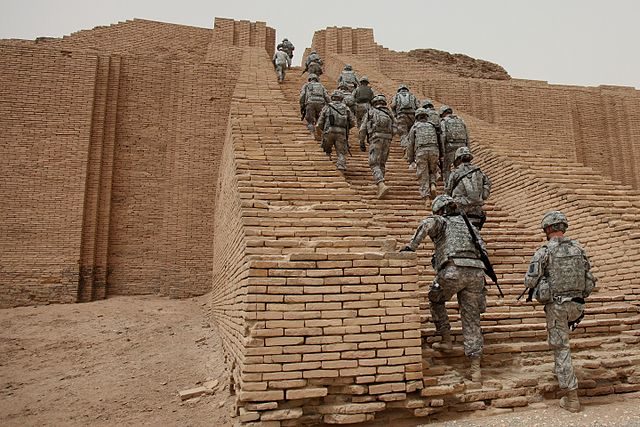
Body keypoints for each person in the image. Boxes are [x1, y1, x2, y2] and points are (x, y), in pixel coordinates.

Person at [401, 195, 487, 382]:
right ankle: (475, 369)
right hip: (476, 274)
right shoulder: (470, 227)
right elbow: (483, 250)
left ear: (440, 210)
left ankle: (446, 339)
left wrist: (411, 247)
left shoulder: (441, 221)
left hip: (452, 271)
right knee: (472, 319)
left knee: (435, 298)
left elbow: (427, 224)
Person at [524, 211, 597, 413]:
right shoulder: (579, 249)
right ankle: (561, 372)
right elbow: (588, 274)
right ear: (563, 227)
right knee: (561, 345)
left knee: (561, 348)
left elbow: (529, 281)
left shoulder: (544, 251)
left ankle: (572, 397)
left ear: (547, 229)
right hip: (578, 305)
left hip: (557, 307)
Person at [359, 94, 396, 199]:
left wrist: (361, 142)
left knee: (374, 163)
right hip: (387, 139)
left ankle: (381, 183)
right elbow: (396, 128)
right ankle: (380, 186)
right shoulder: (389, 114)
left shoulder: (371, 112)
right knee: (382, 163)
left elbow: (362, 129)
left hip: (376, 138)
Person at [445, 146, 491, 230]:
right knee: (475, 232)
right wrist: (483, 195)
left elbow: (448, 190)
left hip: (460, 208)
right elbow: (487, 183)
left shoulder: (455, 173)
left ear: (458, 159)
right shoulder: (479, 171)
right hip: (476, 208)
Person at [316, 90, 355, 171]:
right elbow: (352, 122)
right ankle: (341, 165)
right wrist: (345, 129)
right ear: (341, 98)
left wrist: (324, 130)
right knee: (341, 152)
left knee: (326, 149)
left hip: (329, 131)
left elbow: (320, 123)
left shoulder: (327, 107)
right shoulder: (346, 108)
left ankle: (327, 166)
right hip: (341, 132)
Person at [407, 108, 440, 201]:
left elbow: (410, 144)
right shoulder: (432, 126)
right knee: (432, 170)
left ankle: (426, 197)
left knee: (423, 174)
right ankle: (433, 184)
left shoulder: (415, 127)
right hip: (434, 150)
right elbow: (439, 140)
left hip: (421, 151)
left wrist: (410, 159)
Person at [439, 105, 469, 184]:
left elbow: (443, 136)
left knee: (447, 169)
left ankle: (449, 187)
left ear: (443, 113)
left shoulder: (444, 121)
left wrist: (442, 151)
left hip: (450, 147)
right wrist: (468, 149)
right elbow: (467, 135)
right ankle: (462, 184)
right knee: (461, 168)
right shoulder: (461, 120)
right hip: (462, 146)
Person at [391, 85, 420, 159]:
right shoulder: (412, 96)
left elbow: (393, 105)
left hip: (401, 116)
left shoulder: (397, 96)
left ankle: (406, 152)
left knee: (404, 134)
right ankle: (414, 152)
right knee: (412, 135)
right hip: (412, 117)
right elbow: (418, 106)